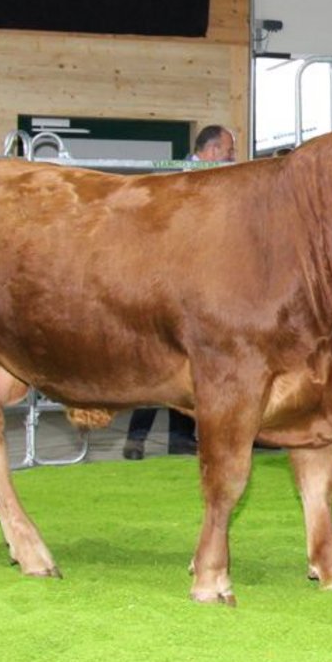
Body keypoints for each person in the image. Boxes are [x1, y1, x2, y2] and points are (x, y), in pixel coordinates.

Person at [122, 124, 236, 460]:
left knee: (185, 364)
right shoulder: (170, 176)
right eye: (229, 150)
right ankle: (137, 437)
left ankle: (179, 440)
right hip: (162, 282)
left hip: (197, 286)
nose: (232, 156)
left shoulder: (217, 183)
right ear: (212, 151)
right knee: (157, 361)